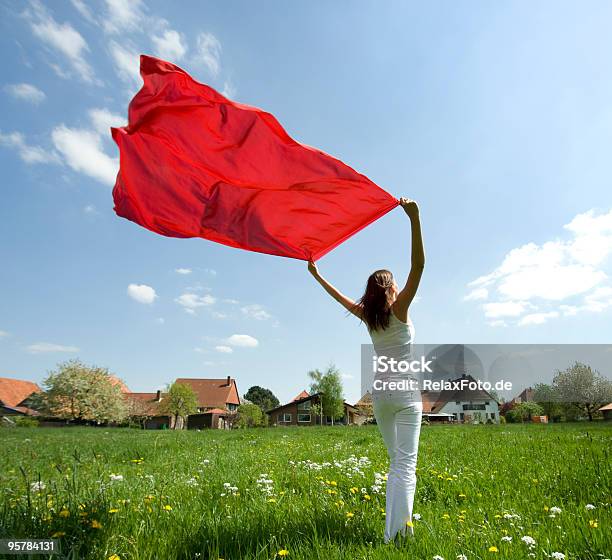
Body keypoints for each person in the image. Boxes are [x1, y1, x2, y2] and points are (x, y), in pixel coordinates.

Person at [307, 197, 425, 545]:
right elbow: (419, 265)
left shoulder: (369, 317)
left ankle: (395, 526)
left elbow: (339, 298)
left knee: (396, 463)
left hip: (381, 398)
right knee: (405, 466)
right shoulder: (399, 309)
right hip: (404, 396)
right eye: (395, 284)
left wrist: (317, 275)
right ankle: (398, 536)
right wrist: (414, 219)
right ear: (390, 289)